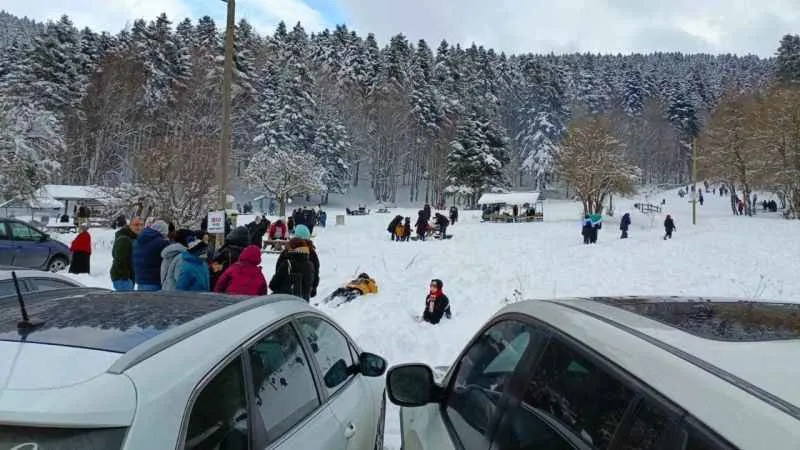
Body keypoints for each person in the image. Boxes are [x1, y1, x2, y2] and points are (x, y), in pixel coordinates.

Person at [269, 225, 318, 300]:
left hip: (285, 298)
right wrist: (313, 288)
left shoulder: (287, 255)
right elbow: (315, 273)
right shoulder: (311, 254)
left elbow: (276, 278)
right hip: (303, 299)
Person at [133, 220, 170, 291]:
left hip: (140, 280)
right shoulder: (160, 243)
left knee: (143, 301)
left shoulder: (138, 240)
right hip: (154, 281)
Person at [111, 217, 143, 291]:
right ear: (130, 225)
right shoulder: (124, 239)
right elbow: (119, 260)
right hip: (123, 280)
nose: (139, 227)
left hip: (127, 279)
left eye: (141, 225)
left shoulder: (132, 237)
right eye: (136, 225)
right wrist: (126, 277)